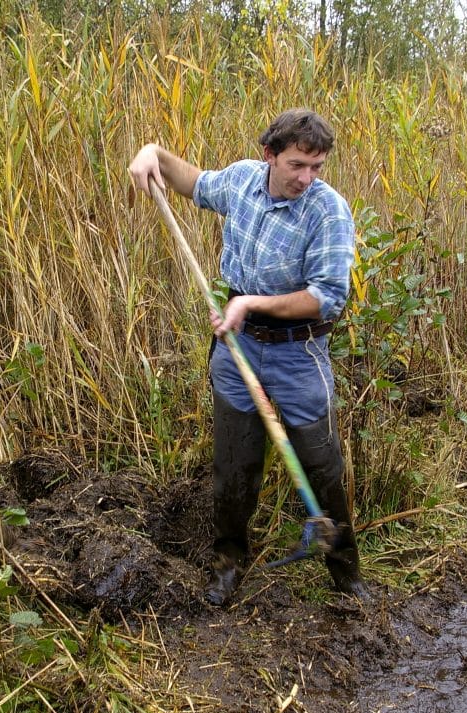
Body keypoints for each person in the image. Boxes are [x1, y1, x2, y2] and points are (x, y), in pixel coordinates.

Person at [127, 109, 367, 606]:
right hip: (238, 349)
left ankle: (346, 573)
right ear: (270, 156)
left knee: (322, 465)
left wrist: (250, 302)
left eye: (316, 167)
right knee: (234, 467)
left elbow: (327, 297)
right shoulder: (240, 181)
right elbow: (191, 181)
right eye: (298, 164)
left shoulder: (328, 211)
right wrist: (153, 153)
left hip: (299, 350)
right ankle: (228, 563)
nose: (307, 177)